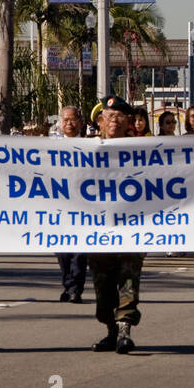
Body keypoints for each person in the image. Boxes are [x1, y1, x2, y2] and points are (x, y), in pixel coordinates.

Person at [87, 96, 145, 353]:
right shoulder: (84, 151)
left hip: (130, 229)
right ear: (100, 121)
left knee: (128, 280)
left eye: (119, 116)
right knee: (103, 286)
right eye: (108, 116)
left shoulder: (143, 150)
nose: (113, 121)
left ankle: (124, 330)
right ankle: (111, 329)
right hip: (97, 231)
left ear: (129, 121)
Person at [54, 105, 88, 304]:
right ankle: (67, 285)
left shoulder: (90, 145)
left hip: (83, 207)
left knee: (79, 252)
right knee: (62, 252)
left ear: (80, 122)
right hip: (60, 208)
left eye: (72, 119)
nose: (69, 123)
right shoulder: (52, 148)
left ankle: (76, 289)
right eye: (65, 119)